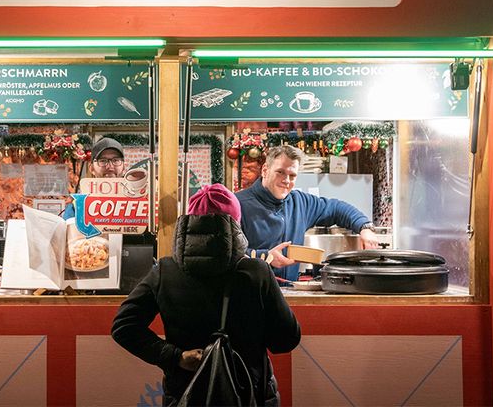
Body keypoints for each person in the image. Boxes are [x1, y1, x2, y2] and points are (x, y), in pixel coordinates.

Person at [112, 184, 301, 406]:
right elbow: (285, 341)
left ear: (189, 222)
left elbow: (124, 327)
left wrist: (176, 357)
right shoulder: (257, 272)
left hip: (185, 395)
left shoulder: (165, 271)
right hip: (250, 394)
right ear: (235, 224)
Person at [236, 145, 381, 281]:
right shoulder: (238, 204)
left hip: (289, 294)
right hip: (251, 295)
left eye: (292, 175)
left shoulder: (301, 202)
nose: (286, 180)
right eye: (280, 172)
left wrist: (365, 228)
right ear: (265, 170)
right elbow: (224, 254)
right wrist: (265, 257)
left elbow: (337, 208)